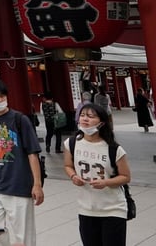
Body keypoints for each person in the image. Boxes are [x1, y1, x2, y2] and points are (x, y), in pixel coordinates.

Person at [0, 77, 43, 246]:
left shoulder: (20, 120)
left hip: (18, 185)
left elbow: (32, 154)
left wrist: (37, 184)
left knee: (23, 235)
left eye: (2, 96)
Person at [63, 102, 132, 246]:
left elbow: (125, 177)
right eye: (82, 115)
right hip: (86, 208)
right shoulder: (71, 143)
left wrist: (105, 182)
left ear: (101, 123)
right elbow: (68, 165)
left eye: (90, 116)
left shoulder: (114, 148)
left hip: (113, 209)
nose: (85, 119)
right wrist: (73, 176)